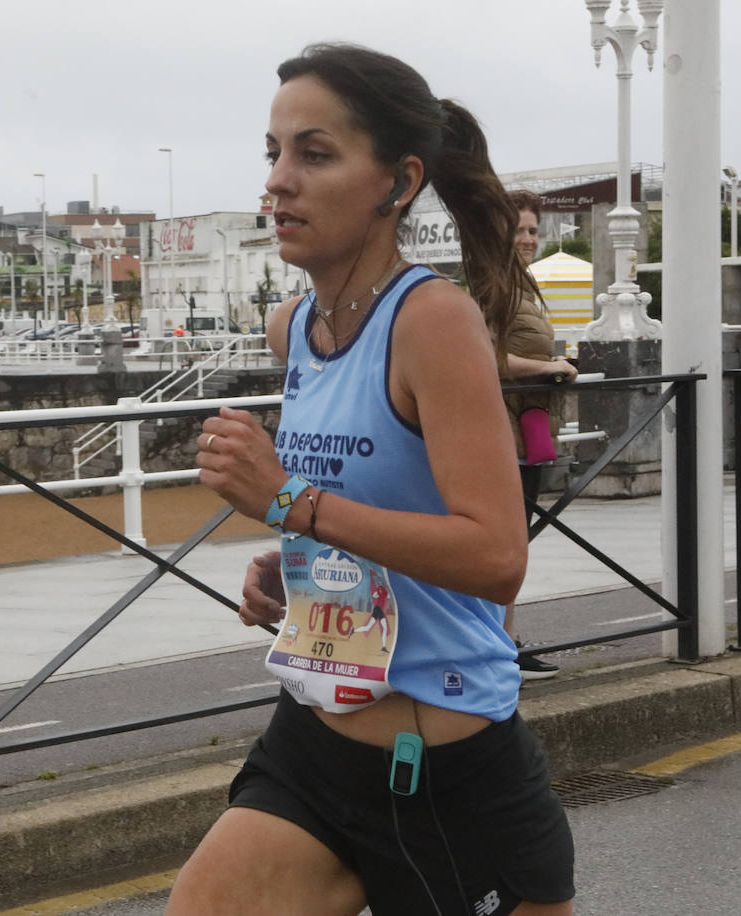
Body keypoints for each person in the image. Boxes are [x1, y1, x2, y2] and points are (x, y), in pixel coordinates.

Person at [168, 44, 574, 916]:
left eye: (315, 154)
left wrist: (289, 501)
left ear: (397, 183)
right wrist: (299, 561)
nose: (278, 182)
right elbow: (367, 503)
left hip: (441, 762)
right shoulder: (294, 328)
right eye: (272, 152)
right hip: (315, 743)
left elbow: (497, 557)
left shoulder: (433, 322)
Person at [497, 190, 578, 681]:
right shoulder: (492, 286)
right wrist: (548, 366)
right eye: (519, 230)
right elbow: (483, 358)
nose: (528, 239)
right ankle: (498, 648)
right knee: (506, 543)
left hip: (525, 429)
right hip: (501, 432)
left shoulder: (521, 284)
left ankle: (503, 643)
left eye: (532, 230)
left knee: (513, 543)